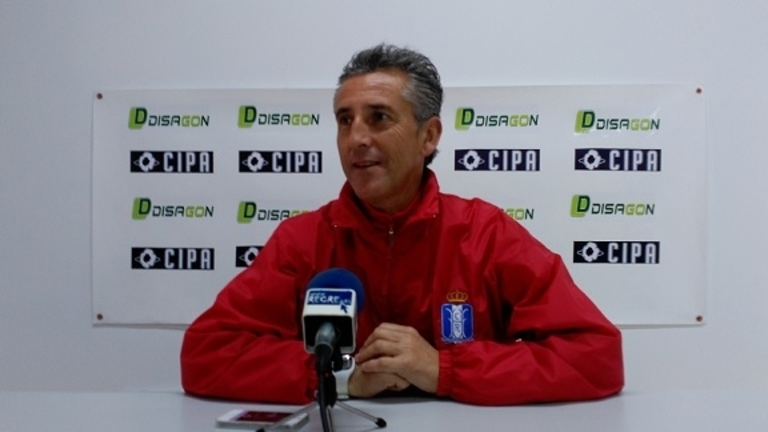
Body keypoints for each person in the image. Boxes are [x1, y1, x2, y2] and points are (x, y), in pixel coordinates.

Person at [180, 43, 624, 406]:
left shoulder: (485, 233)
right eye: (345, 120)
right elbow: (205, 354)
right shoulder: (302, 241)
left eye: (378, 117)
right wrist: (340, 378)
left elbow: (596, 356)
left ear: (428, 136)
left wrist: (444, 370)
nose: (356, 138)